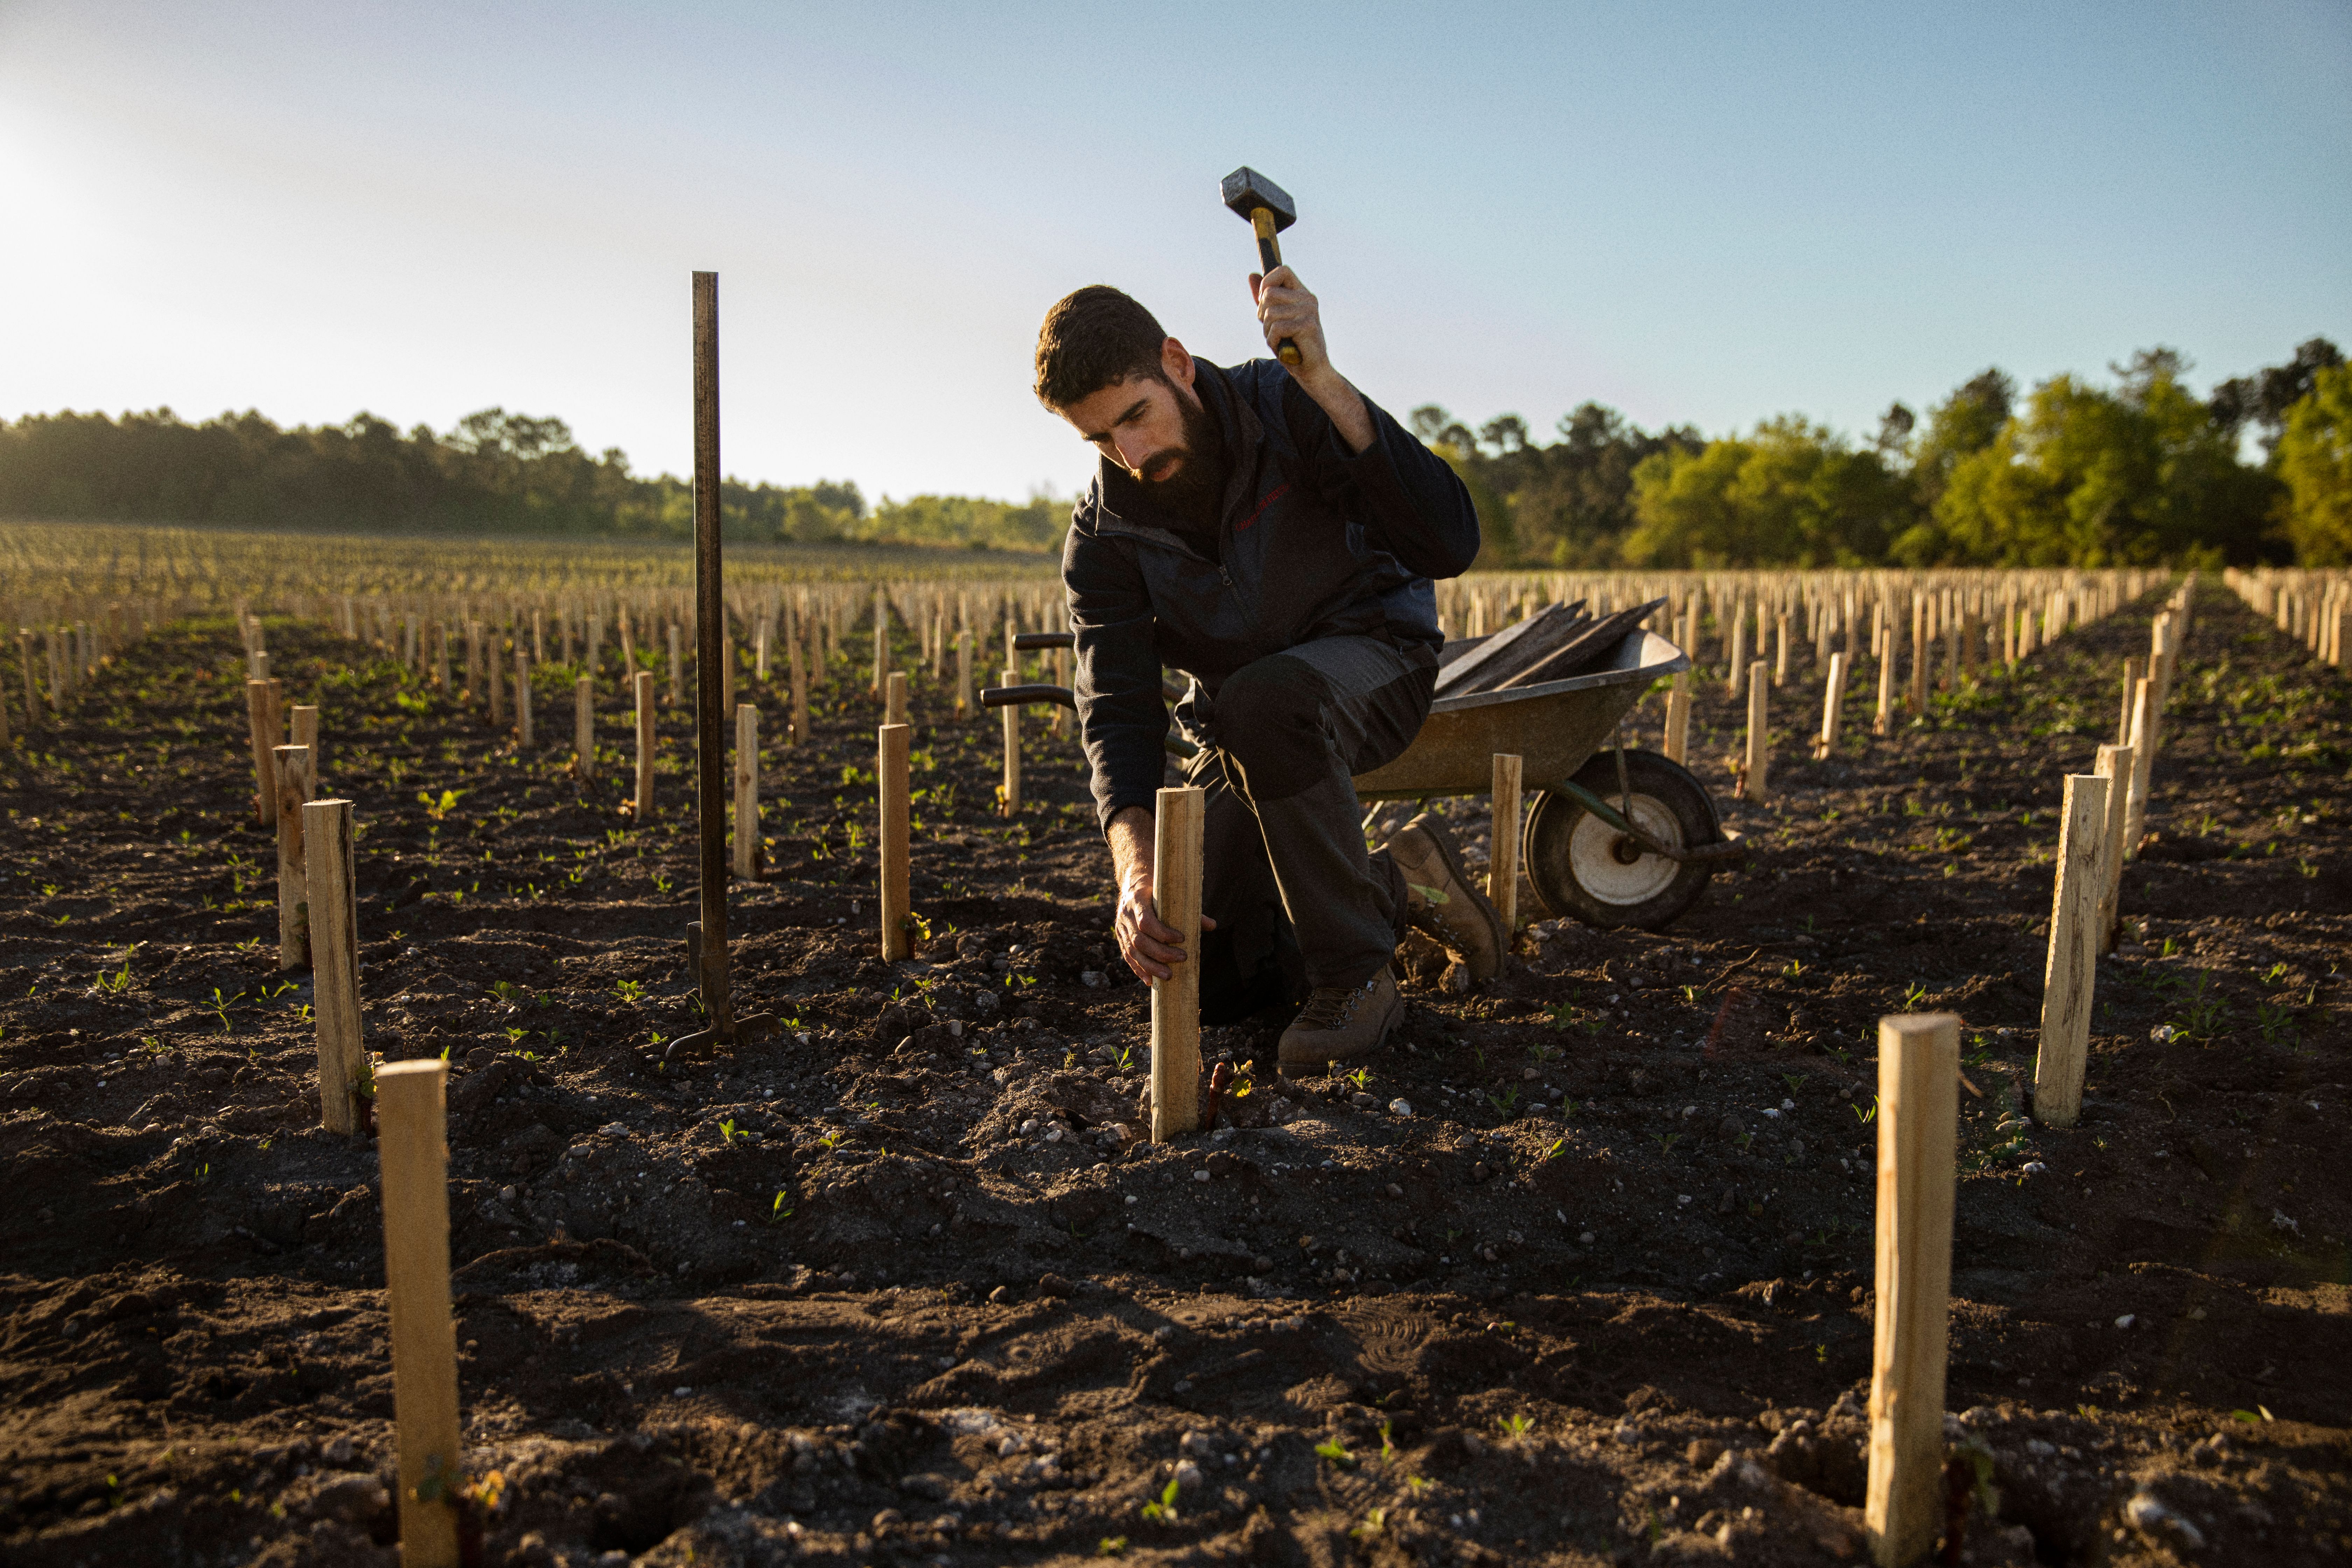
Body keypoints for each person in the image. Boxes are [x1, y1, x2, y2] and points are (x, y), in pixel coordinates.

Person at [1032, 264, 1507, 1076]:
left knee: (1264, 701)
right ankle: (1405, 883)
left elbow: (1449, 542)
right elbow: (1116, 707)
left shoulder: (1288, 405)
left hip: (1376, 663)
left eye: (1137, 417)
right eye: (1101, 438)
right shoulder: (1103, 533)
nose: (1131, 452)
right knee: (1211, 972)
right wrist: (1137, 872)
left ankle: (1358, 981)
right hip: (1243, 733)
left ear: (1177, 363)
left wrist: (1323, 377)